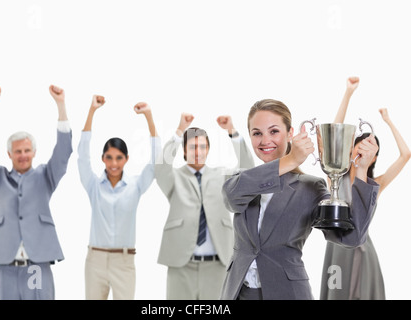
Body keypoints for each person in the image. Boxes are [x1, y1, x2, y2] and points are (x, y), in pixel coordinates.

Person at [220, 98, 380, 300]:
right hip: (239, 293)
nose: (265, 140)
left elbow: (351, 237)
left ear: (290, 134)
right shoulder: (243, 180)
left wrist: (363, 169)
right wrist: (291, 159)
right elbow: (231, 197)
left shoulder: (310, 187)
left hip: (287, 294)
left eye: (274, 131)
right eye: (257, 133)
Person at [0, 85, 73, 300]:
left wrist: (61, 105)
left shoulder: (46, 176)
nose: (23, 155)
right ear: (9, 153)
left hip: (35, 266)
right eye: (18, 151)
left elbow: (63, 152)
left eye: (27, 150)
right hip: (6, 268)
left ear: (34, 152)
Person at [320, 77, 411, 300]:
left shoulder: (374, 186)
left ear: (374, 157)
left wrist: (388, 121)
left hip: (363, 250)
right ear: (350, 151)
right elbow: (334, 133)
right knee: (336, 294)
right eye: (358, 150)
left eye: (367, 152)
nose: (360, 154)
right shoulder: (337, 176)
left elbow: (406, 155)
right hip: (337, 251)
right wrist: (348, 93)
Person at [155, 112, 254, 300]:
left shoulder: (223, 175)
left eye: (202, 147)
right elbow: (160, 167)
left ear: (208, 150)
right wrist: (179, 131)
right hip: (181, 264)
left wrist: (232, 132)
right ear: (184, 150)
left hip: (217, 265)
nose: (198, 151)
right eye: (192, 147)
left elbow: (248, 170)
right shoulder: (174, 178)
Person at [77, 96, 161, 300]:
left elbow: (156, 161)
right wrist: (91, 111)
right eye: (109, 157)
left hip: (124, 262)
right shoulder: (93, 185)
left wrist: (149, 117)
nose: (114, 163)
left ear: (126, 159)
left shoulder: (135, 185)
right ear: (103, 158)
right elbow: (82, 156)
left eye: (119, 157)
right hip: (95, 260)